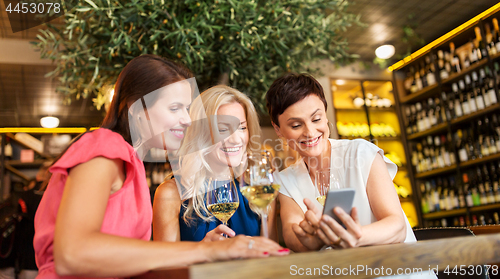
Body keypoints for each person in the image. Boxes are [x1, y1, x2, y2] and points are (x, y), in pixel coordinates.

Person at [33, 55, 288, 279]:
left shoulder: (131, 166)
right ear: (137, 108)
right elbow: (72, 255)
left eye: (188, 109)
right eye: (175, 108)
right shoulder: (103, 148)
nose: (188, 120)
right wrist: (207, 250)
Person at [265, 73, 419, 251]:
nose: (310, 131)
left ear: (325, 114)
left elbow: (397, 226)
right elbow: (292, 235)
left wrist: (354, 237)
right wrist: (314, 240)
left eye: (316, 119)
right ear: (278, 129)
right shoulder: (285, 180)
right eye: (296, 125)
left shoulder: (361, 153)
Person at [153, 85, 278, 242]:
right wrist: (204, 251)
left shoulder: (259, 190)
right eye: (223, 129)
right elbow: (165, 266)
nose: (236, 139)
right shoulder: (171, 194)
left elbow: (272, 256)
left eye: (242, 127)